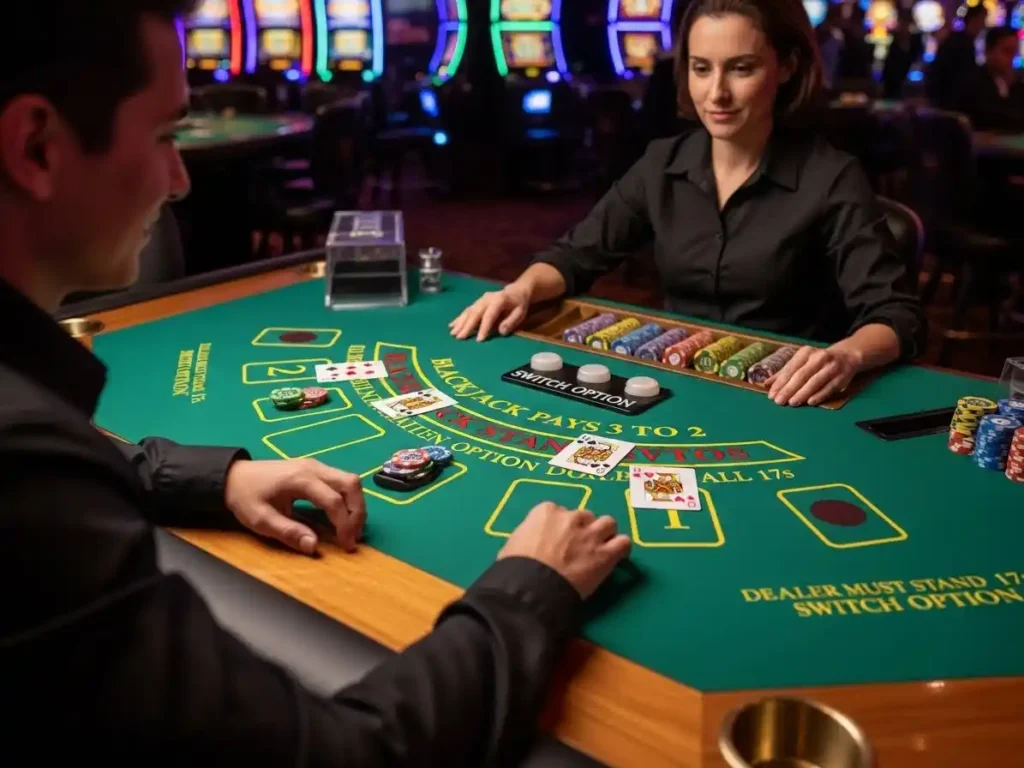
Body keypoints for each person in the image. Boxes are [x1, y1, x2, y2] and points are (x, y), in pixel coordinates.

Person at [0, 0, 632, 762]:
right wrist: (529, 587)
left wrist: (215, 479)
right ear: (35, 146)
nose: (179, 181)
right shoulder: (25, 476)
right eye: (166, 135)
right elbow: (348, 756)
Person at [451, 0, 925, 409]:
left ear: (786, 68)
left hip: (784, 395)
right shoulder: (663, 163)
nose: (715, 92)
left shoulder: (830, 178)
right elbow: (575, 257)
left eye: (741, 68)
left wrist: (846, 355)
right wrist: (520, 290)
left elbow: (895, 316)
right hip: (674, 383)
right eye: (701, 68)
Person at [955, 25, 1024, 131]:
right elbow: (993, 119)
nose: (1012, 59)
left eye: (1014, 53)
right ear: (988, 51)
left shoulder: (1015, 82)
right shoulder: (973, 82)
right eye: (1006, 51)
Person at [927, 4, 987, 109]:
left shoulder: (958, 39)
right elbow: (962, 77)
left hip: (946, 101)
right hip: (952, 104)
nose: (984, 25)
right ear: (974, 19)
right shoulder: (962, 43)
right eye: (983, 20)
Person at [882, 10, 924, 100]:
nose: (904, 27)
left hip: (911, 81)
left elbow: (917, 58)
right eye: (902, 24)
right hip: (894, 82)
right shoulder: (895, 41)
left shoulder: (916, 41)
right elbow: (889, 64)